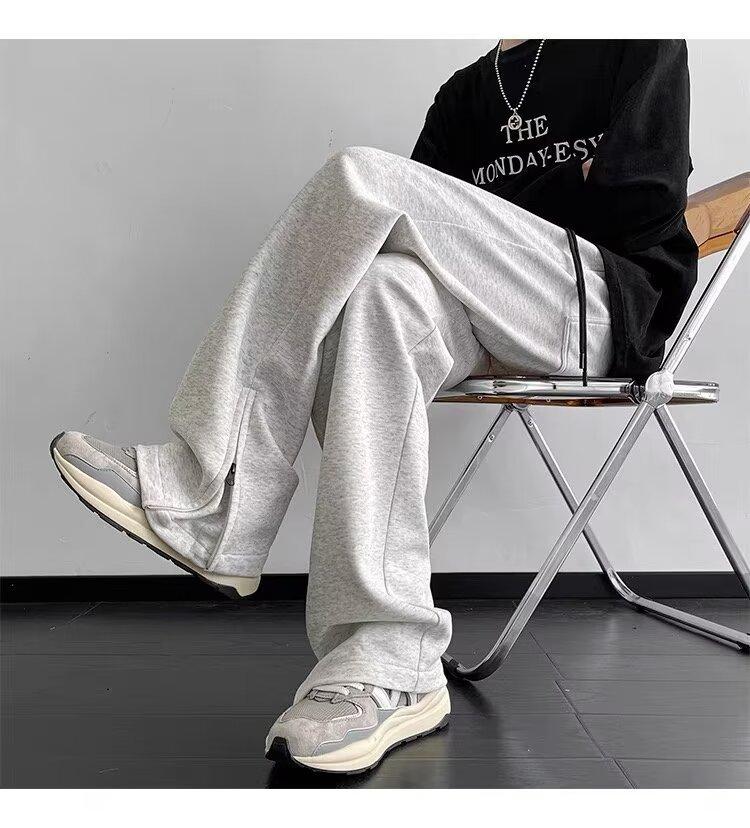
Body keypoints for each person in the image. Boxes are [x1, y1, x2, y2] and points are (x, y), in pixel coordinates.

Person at [51, 39, 697, 774]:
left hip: (601, 302)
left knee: (361, 178)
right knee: (380, 290)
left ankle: (219, 487)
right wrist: (540, 195)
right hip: (490, 309)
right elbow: (411, 233)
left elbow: (641, 193)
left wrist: (483, 216)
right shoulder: (464, 94)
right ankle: (388, 657)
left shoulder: (634, 36)